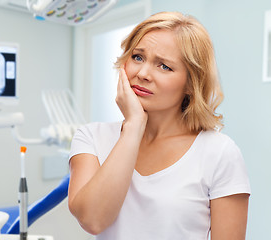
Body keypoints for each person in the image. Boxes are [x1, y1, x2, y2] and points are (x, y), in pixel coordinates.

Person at [68, 11, 251, 240]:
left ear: (190, 84)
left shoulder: (220, 153)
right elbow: (93, 220)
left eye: (164, 66)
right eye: (137, 57)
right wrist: (133, 127)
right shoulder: (91, 138)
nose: (143, 74)